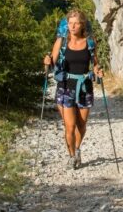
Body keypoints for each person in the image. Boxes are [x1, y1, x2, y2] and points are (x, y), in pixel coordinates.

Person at [43, 9, 102, 169]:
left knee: (81, 125)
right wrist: (47, 62)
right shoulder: (61, 42)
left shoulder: (90, 42)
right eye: (70, 23)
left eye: (76, 23)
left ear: (82, 25)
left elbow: (95, 64)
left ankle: (77, 149)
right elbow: (52, 64)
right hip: (65, 88)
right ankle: (71, 157)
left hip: (84, 88)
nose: (73, 26)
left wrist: (98, 70)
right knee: (69, 126)